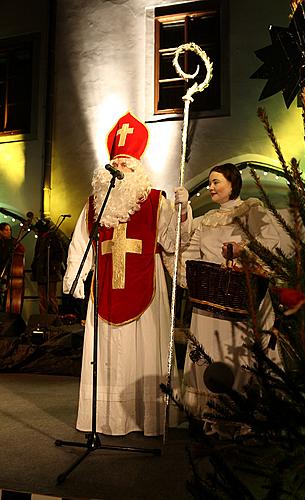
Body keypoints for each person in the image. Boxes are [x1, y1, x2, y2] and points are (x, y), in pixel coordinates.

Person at [63, 111, 192, 436]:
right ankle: (105, 417)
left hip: (146, 286)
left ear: (137, 169)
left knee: (144, 351)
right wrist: (77, 280)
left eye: (126, 164)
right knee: (106, 355)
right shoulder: (95, 204)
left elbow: (172, 240)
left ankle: (146, 420)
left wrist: (182, 211)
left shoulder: (154, 201)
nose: (119, 169)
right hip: (105, 289)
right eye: (115, 164)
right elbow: (82, 242)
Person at [179, 163, 282, 422]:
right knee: (206, 350)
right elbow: (190, 251)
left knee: (234, 351)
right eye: (210, 183)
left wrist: (242, 250)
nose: (211, 187)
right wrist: (187, 272)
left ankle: (241, 413)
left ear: (232, 183)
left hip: (240, 295)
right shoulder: (207, 220)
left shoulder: (251, 210)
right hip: (209, 296)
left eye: (216, 182)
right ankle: (207, 414)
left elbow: (270, 244)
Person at [31, 218, 66, 315]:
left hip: (51, 272)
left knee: (51, 296)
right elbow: (37, 255)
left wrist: (54, 266)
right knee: (42, 297)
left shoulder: (52, 238)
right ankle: (43, 318)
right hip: (41, 272)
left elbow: (59, 255)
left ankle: (54, 318)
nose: (36, 232)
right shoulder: (40, 239)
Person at [0, 222, 25, 312]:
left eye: (10, 230)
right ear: (0, 232)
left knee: (5, 295)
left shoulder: (13, 242)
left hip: (9, 273)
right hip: (1, 271)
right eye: (6, 230)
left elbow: (22, 250)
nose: (9, 232)